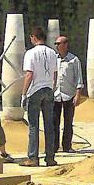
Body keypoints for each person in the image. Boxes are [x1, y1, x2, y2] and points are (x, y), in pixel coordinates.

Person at [19, 27, 58, 167]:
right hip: (48, 88)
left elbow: (29, 74)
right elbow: (55, 74)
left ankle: (33, 157)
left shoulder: (30, 53)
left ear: (33, 37)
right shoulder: (52, 52)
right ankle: (50, 157)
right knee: (49, 125)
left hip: (35, 90)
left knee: (33, 126)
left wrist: (23, 93)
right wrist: (52, 88)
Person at [53, 35, 83, 153]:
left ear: (65, 45)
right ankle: (54, 146)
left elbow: (79, 79)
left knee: (68, 122)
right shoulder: (54, 59)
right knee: (54, 122)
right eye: (55, 43)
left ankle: (67, 146)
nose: (56, 46)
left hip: (69, 95)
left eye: (58, 43)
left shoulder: (74, 60)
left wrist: (78, 95)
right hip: (56, 95)